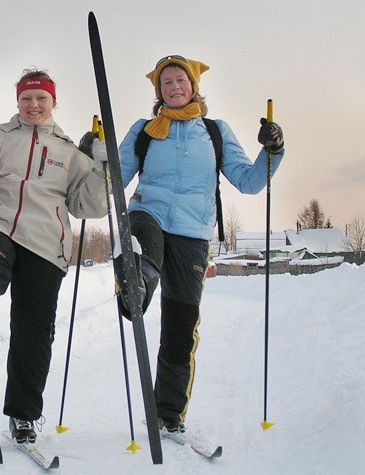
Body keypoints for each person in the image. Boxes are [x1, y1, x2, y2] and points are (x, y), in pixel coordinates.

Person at [117, 55, 285, 433]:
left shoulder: (214, 131)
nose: (174, 87)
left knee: (181, 326)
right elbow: (114, 177)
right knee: (143, 243)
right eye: (166, 83)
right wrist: (93, 153)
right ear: (158, 92)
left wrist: (272, 150)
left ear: (193, 86)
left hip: (193, 233)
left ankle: (168, 414)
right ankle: (134, 283)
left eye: (180, 81)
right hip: (149, 213)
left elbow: (249, 181)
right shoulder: (145, 130)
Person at [0, 68, 108, 444]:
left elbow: (88, 206)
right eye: (27, 98)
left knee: (35, 331)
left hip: (46, 241)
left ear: (53, 103)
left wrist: (101, 166)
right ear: (17, 102)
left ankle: (23, 416)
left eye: (41, 98)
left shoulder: (69, 152)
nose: (34, 105)